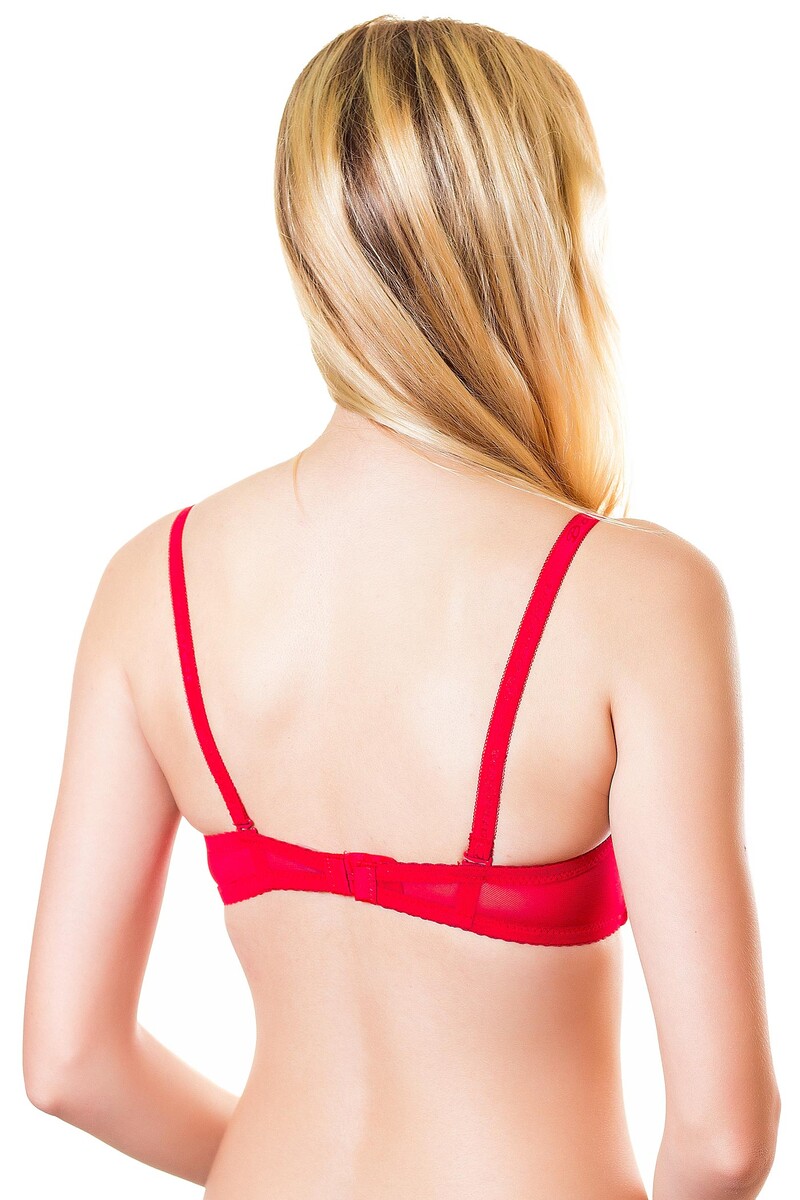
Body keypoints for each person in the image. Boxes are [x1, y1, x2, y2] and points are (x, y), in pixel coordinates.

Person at [23, 15, 780, 1199]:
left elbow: (69, 1063)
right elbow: (722, 1139)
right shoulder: (632, 595)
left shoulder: (151, 582)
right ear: (540, 240)